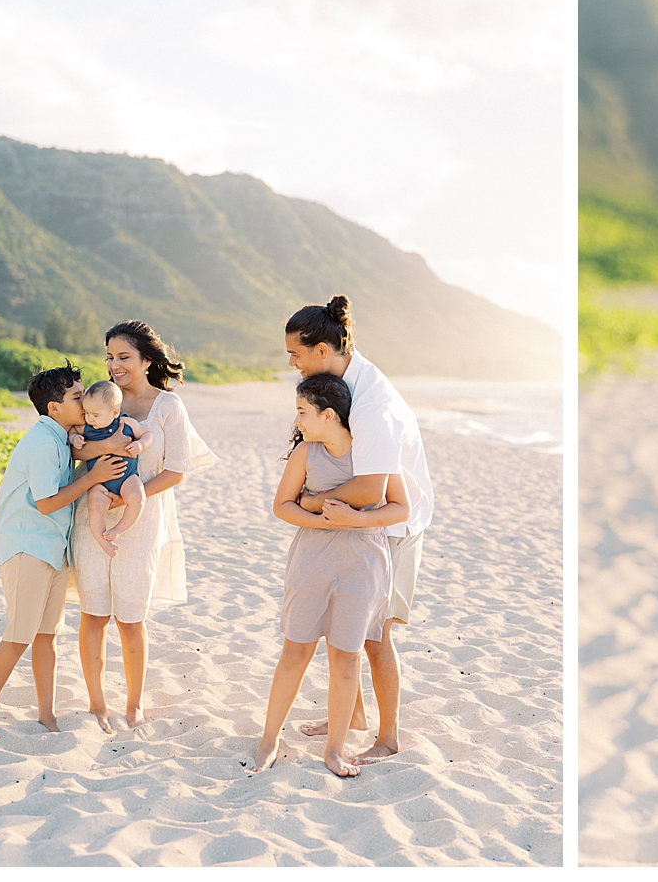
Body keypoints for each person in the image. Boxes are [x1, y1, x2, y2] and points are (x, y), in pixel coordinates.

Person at [283, 296, 433, 762]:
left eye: (296, 354)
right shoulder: (345, 384)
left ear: (323, 351)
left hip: (391, 525)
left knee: (374, 634)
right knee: (343, 627)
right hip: (358, 522)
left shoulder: (370, 405)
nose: (292, 364)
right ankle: (351, 713)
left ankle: (387, 737)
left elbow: (371, 490)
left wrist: (307, 501)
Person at [249, 373, 412, 777]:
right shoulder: (307, 452)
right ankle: (269, 741)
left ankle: (334, 750)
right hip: (312, 562)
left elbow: (400, 508)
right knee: (296, 651)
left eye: (303, 412)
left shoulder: (374, 450)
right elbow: (283, 506)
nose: (298, 420)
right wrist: (326, 522)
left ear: (329, 415)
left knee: (345, 658)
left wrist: (355, 519)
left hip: (364, 566)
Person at [68, 320, 218, 730]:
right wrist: (102, 474)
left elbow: (177, 471)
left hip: (142, 522)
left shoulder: (167, 407)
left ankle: (133, 705)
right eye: (110, 357)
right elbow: (74, 450)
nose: (114, 365)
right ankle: (97, 704)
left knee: (131, 620)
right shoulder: (95, 401)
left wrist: (131, 496)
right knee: (93, 615)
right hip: (92, 523)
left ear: (147, 360)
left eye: (124, 357)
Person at [0, 365, 127, 739]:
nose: (85, 400)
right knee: (18, 636)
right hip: (28, 547)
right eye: (77, 396)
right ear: (54, 407)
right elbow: (45, 503)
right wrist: (92, 476)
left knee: (46, 637)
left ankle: (46, 716)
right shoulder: (41, 442)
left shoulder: (61, 438)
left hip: (53, 549)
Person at [67, 379, 153, 560]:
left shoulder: (126, 423)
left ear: (114, 412)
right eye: (86, 413)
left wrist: (140, 445)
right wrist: (75, 438)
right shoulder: (87, 427)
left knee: (138, 497)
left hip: (127, 476)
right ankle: (104, 541)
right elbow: (73, 430)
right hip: (99, 482)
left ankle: (118, 530)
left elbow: (147, 433)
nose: (89, 418)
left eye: (95, 415)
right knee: (95, 507)